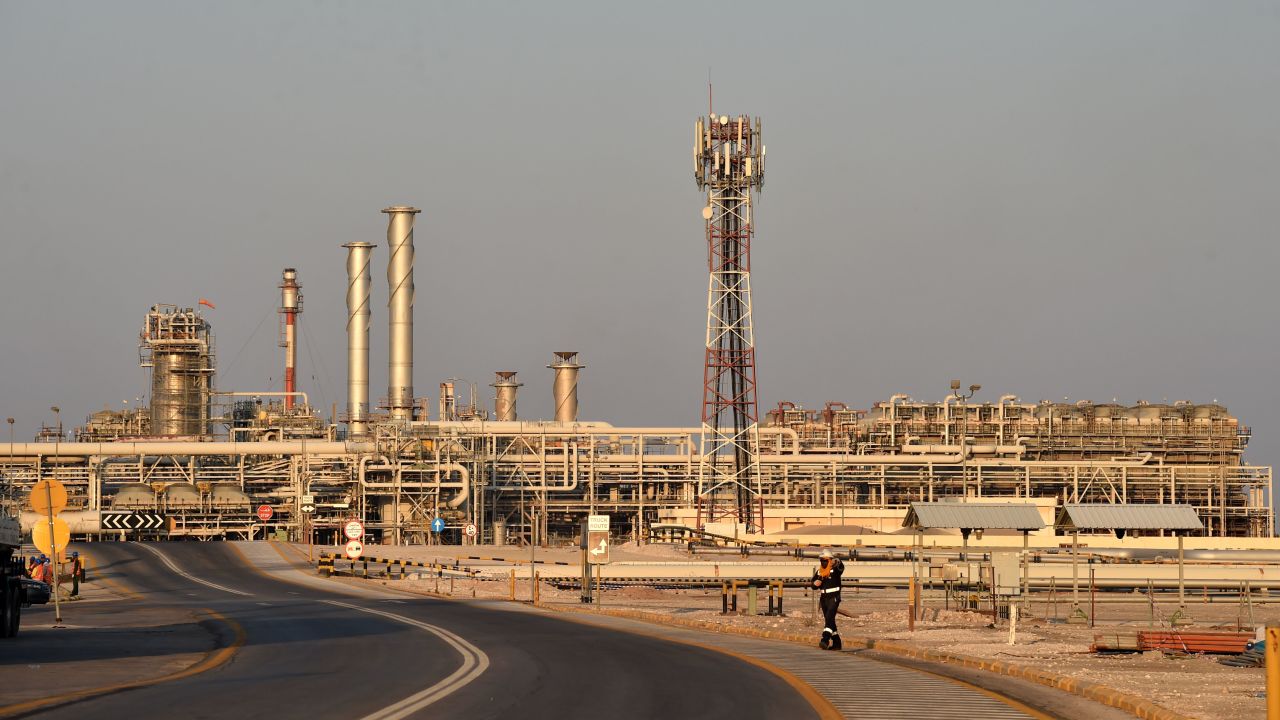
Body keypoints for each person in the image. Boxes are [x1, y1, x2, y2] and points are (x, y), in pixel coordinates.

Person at [811, 548, 844, 650]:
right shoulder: (820, 572)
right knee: (830, 621)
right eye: (821, 560)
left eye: (825, 560)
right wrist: (815, 584)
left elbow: (841, 566)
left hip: (833, 598)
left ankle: (825, 639)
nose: (823, 562)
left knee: (829, 618)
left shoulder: (835, 570)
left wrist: (836, 561)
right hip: (824, 599)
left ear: (830, 560)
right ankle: (837, 643)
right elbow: (813, 584)